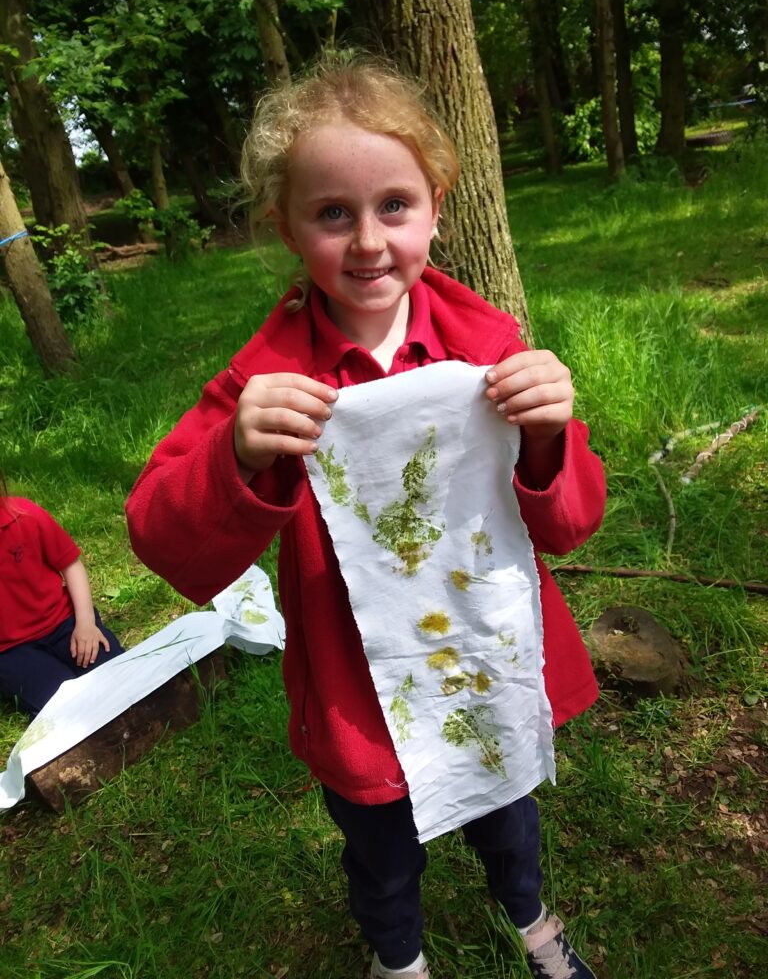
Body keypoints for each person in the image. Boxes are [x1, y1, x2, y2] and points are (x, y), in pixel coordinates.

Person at [126, 56, 606, 979]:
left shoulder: (489, 351)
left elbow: (570, 522)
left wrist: (549, 438)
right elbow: (159, 534)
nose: (369, 241)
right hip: (360, 694)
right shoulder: (265, 383)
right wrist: (238, 451)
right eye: (332, 214)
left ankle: (534, 922)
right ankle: (399, 960)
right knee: (382, 856)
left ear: (436, 202)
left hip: (483, 666)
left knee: (510, 821)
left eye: (394, 205)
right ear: (286, 227)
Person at [0, 472, 124, 717]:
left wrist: (86, 623)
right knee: (68, 705)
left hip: (64, 624)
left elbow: (71, 565)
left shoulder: (25, 515)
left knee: (118, 675)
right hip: (10, 650)